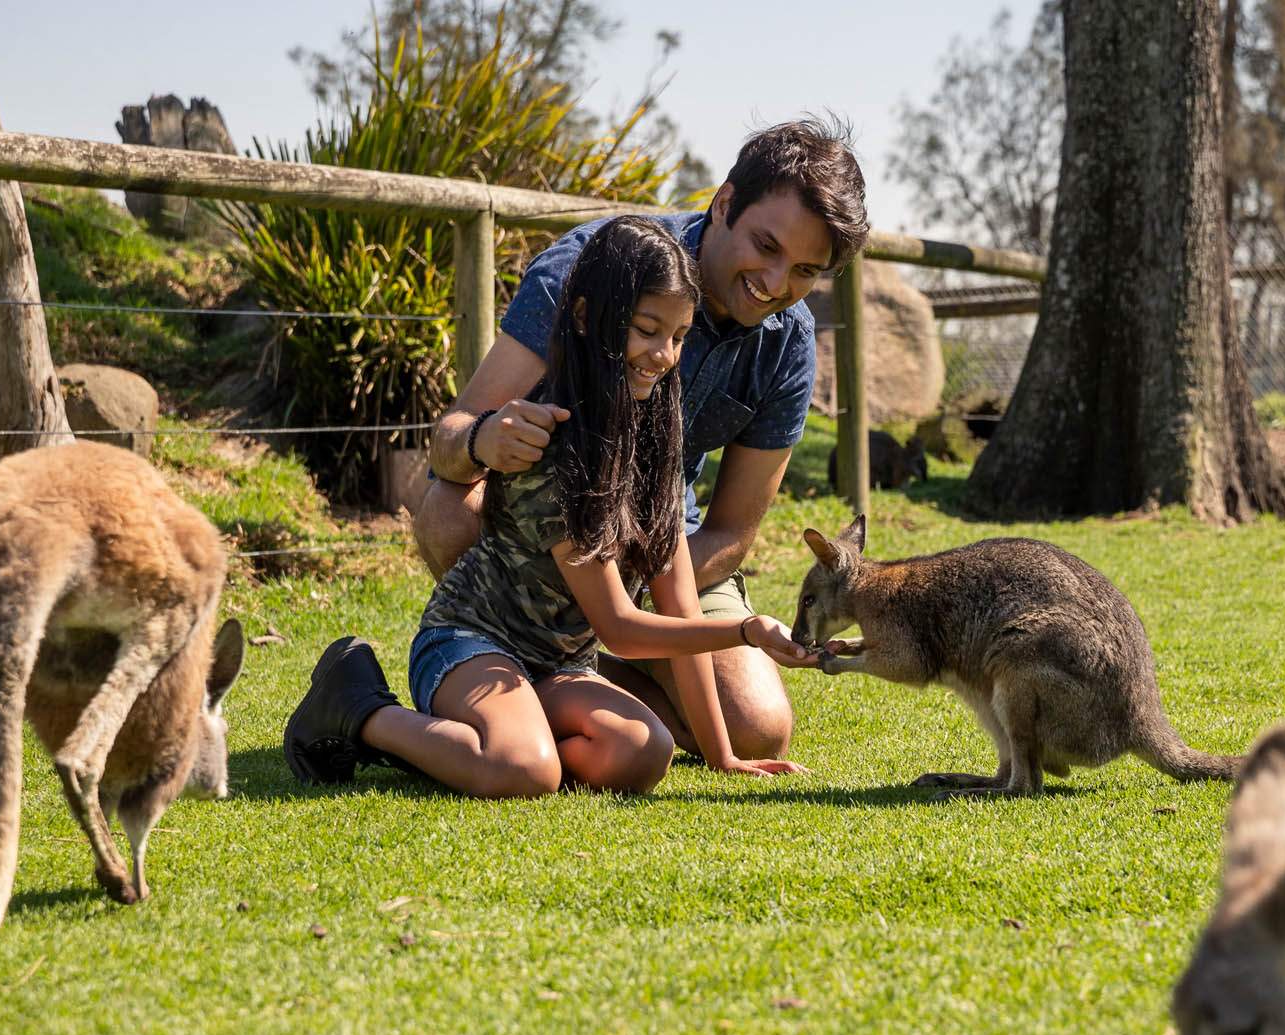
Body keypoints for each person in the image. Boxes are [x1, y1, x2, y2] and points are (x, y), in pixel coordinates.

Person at [284, 217, 819, 796]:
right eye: (646, 329)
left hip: (559, 666)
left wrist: (723, 758)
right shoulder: (558, 445)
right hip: (474, 642)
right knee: (526, 772)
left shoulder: (657, 440)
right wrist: (743, 630)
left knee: (646, 752)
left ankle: (506, 739)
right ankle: (361, 709)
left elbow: (679, 601)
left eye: (680, 336)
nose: (664, 355)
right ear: (587, 318)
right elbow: (621, 630)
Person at [412, 117, 869, 765]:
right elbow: (447, 444)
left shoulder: (788, 342)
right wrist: (488, 439)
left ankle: (564, 686)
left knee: (758, 727)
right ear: (725, 203)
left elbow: (733, 531)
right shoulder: (590, 274)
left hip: (649, 545)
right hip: (543, 530)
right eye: (765, 246)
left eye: (803, 270)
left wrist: (631, 583)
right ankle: (482, 673)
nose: (774, 283)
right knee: (449, 506)